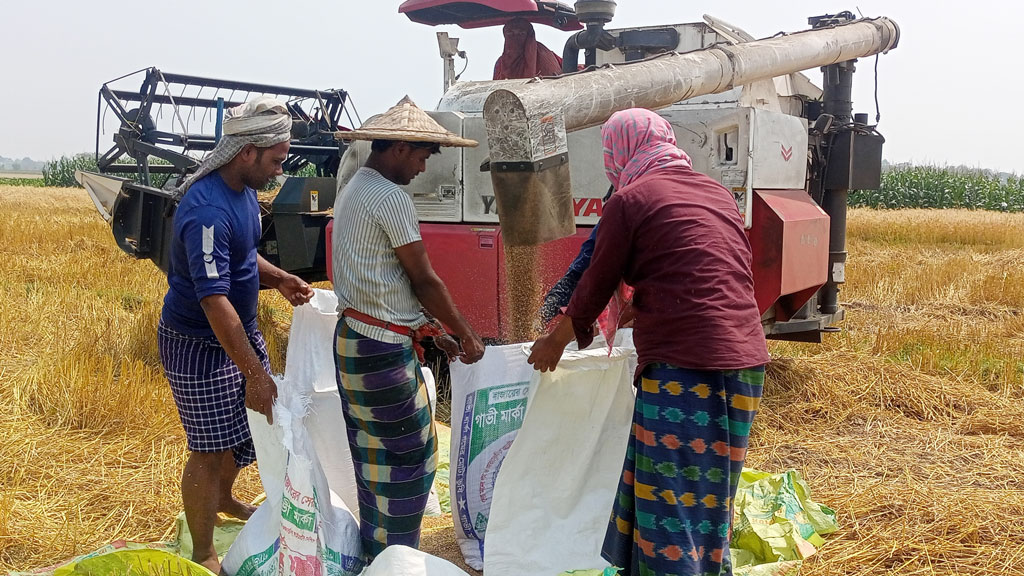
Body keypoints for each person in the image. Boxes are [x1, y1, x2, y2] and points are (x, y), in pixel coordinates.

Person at [528, 108, 771, 576]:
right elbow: (715, 270)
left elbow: (593, 285)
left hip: (684, 368)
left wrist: (555, 342)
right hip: (745, 362)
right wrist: (653, 299)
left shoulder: (630, 199)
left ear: (618, 151)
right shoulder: (716, 193)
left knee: (670, 507)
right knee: (708, 495)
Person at [157, 96, 314, 573]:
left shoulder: (243, 193)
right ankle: (202, 551)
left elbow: (243, 259)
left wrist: (279, 277)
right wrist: (253, 372)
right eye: (276, 160)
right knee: (208, 447)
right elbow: (213, 300)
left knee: (245, 430)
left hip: (238, 335)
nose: (279, 170)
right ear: (247, 152)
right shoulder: (206, 210)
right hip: (199, 346)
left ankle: (224, 499)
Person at [331, 96, 486, 562]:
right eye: (421, 155)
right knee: (411, 462)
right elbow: (423, 279)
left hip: (356, 339)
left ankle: (379, 556)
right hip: (381, 351)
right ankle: (397, 561)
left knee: (373, 460)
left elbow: (380, 279)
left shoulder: (355, 187)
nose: (422, 166)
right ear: (399, 147)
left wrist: (424, 328)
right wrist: (466, 334)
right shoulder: (391, 197)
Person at [493, 17, 564, 80]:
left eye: (521, 34)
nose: (516, 38)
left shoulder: (544, 55)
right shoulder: (500, 64)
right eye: (510, 34)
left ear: (529, 35)